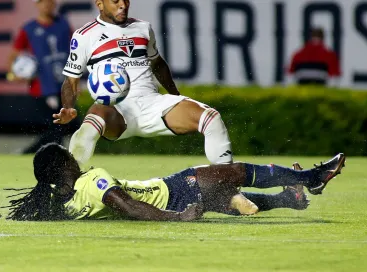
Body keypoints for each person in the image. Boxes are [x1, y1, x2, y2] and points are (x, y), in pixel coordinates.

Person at [53, 0, 233, 170]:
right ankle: (67, 191)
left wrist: (174, 95)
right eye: (116, 1)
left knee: (211, 118)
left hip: (152, 103)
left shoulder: (143, 28)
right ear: (100, 3)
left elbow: (158, 64)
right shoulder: (84, 35)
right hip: (116, 110)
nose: (123, 5)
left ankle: (226, 191)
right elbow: (71, 80)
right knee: (90, 125)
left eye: (126, 0)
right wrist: (68, 107)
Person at [3, 143, 346, 221]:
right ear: (64, 163)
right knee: (235, 170)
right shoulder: (92, 179)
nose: (76, 157)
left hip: (177, 199)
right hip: (175, 190)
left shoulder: (65, 204)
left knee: (228, 196)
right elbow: (128, 205)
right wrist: (177, 218)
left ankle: (289, 198)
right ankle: (311, 178)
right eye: (69, 154)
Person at [7, 0, 73, 154]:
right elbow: (13, 56)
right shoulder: (29, 29)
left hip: (64, 85)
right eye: (43, 2)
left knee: (63, 126)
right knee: (58, 126)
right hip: (42, 88)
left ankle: (35, 153)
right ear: (37, 5)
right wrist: (13, 74)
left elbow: (75, 50)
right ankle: (30, 153)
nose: (47, 5)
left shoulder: (63, 25)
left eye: (50, 2)